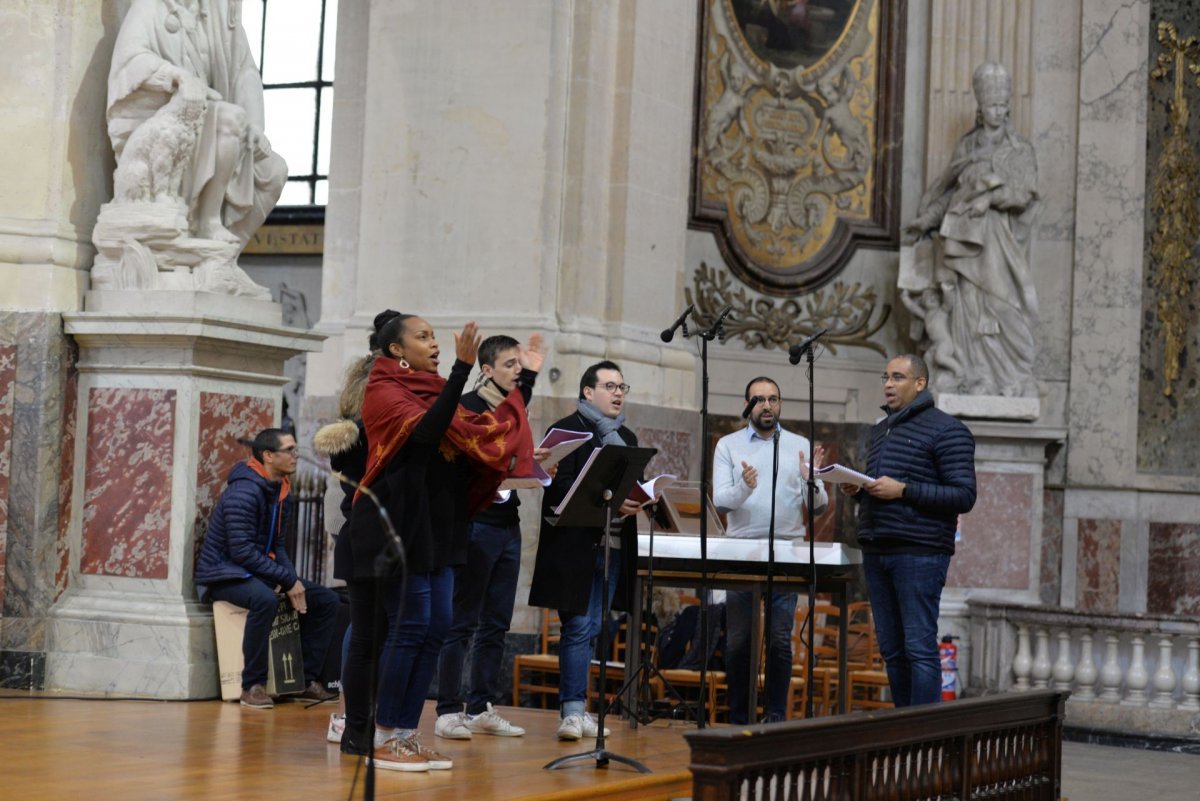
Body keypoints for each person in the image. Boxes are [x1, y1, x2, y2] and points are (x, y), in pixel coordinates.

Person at [341, 316, 534, 772]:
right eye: (423, 337)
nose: (434, 343)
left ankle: (407, 732)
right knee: (410, 628)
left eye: (433, 336)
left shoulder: (430, 389)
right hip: (399, 525)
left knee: (437, 626)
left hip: (441, 527)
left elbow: (468, 437)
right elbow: (427, 432)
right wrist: (462, 371)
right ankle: (383, 733)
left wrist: (496, 456)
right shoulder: (383, 389)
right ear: (396, 351)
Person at [840, 354, 977, 707]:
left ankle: (922, 735)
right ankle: (901, 728)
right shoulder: (881, 429)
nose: (888, 384)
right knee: (891, 648)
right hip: (878, 546)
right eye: (885, 377)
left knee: (918, 647)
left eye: (897, 377)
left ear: (920, 383)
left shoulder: (948, 430)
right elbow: (885, 488)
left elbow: (963, 495)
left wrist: (904, 490)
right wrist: (860, 490)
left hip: (919, 552)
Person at [434, 334, 548, 740]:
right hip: (476, 522)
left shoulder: (513, 406)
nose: (517, 371)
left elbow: (519, 408)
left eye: (520, 364)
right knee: (462, 621)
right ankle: (447, 710)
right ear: (487, 370)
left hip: (507, 524)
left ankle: (480, 705)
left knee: (497, 622)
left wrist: (529, 464)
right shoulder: (466, 406)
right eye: (509, 365)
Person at [906, 61, 1039, 397]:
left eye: (1002, 105)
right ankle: (971, 374)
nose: (997, 111)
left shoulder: (1019, 149)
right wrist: (928, 220)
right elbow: (950, 190)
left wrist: (992, 197)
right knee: (966, 304)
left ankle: (1013, 376)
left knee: (1002, 304)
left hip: (998, 239)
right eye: (991, 105)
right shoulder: (967, 146)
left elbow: (1025, 194)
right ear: (981, 108)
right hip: (963, 237)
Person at [107, 0, 287, 244]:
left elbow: (245, 71)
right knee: (229, 118)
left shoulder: (219, 17)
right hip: (166, 116)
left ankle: (221, 258)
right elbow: (132, 58)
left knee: (273, 171)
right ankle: (207, 222)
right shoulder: (150, 7)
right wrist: (175, 76)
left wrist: (255, 124)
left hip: (207, 116)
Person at [529, 360, 642, 741]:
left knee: (595, 629)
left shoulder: (625, 436)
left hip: (611, 547)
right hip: (574, 547)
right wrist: (609, 499)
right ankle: (572, 711)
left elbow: (632, 485)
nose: (617, 393)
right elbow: (554, 488)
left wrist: (640, 497)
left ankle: (584, 707)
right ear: (588, 392)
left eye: (622, 387)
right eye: (610, 386)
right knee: (577, 628)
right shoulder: (564, 431)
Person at [712, 376, 828, 724]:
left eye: (773, 399)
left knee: (779, 637)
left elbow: (819, 505)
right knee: (739, 640)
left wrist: (812, 479)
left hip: (786, 552)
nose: (767, 406)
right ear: (747, 406)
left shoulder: (799, 444)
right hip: (741, 552)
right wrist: (744, 488)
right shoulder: (728, 445)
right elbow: (720, 500)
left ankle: (776, 716)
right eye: (759, 400)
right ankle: (740, 717)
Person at [196, 428, 339, 709]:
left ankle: (306, 681)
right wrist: (286, 580)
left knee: (326, 600)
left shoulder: (280, 489)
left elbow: (279, 546)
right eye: (290, 450)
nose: (296, 455)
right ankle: (252, 685)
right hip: (223, 573)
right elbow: (241, 550)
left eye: (296, 449)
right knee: (263, 600)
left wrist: (292, 581)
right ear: (268, 456)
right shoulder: (245, 491)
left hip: (255, 571)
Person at [312, 310, 400, 744]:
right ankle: (350, 714)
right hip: (358, 513)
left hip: (360, 513)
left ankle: (360, 716)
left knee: (369, 625)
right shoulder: (373, 379)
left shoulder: (374, 377)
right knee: (364, 625)